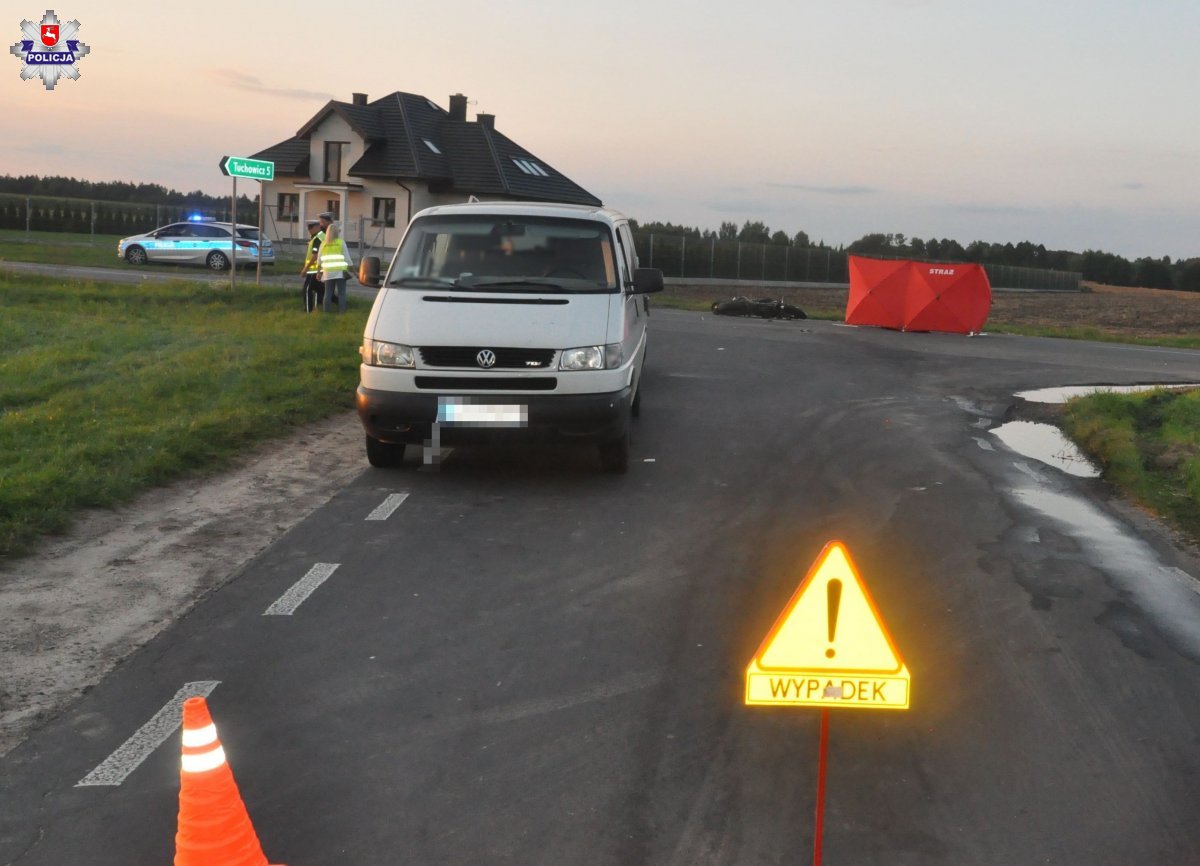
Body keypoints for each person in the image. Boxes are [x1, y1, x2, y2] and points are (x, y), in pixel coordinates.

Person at [319, 222, 354, 313]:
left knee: (328, 294)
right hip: (340, 272)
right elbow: (348, 259)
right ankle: (342, 312)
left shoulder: (323, 244)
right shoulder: (341, 242)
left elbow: (319, 260)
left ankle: (326, 313)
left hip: (327, 273)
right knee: (342, 294)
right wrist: (355, 272)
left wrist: (319, 272)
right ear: (337, 232)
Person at [300, 219, 325, 312]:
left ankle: (307, 310)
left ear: (317, 227)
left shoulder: (318, 238)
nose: (309, 230)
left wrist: (305, 269)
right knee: (321, 290)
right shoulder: (320, 236)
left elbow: (315, 255)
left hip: (314, 270)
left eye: (311, 227)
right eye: (308, 228)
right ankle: (338, 303)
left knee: (307, 290)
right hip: (320, 269)